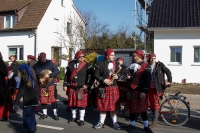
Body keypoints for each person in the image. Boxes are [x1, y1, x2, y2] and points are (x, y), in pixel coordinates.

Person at [63, 50, 94, 126]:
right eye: (80, 57)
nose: (82, 58)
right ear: (77, 57)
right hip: (72, 87)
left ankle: (81, 119)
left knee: (82, 105)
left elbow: (93, 75)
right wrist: (65, 85)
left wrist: (88, 84)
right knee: (73, 104)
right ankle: (73, 117)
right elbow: (67, 75)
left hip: (81, 88)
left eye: (83, 56)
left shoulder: (87, 65)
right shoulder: (71, 64)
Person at [124, 50, 153, 133]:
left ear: (140, 56)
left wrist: (144, 91)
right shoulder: (132, 66)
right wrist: (128, 78)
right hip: (133, 90)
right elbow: (130, 79)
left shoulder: (146, 66)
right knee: (132, 109)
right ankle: (132, 125)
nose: (133, 57)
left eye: (134, 56)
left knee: (143, 110)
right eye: (133, 56)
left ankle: (146, 126)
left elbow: (147, 80)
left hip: (141, 91)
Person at [93, 48, 121, 130]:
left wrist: (117, 77)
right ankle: (101, 122)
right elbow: (96, 75)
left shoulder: (116, 64)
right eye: (112, 55)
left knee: (114, 107)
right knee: (103, 107)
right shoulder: (100, 64)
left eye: (114, 55)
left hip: (113, 88)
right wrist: (103, 80)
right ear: (107, 55)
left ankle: (115, 122)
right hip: (104, 88)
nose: (114, 56)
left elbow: (122, 74)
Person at [147, 53, 172, 128]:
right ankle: (154, 117)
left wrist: (169, 81)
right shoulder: (147, 65)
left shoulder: (160, 65)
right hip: (149, 88)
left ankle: (154, 120)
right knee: (150, 103)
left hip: (158, 88)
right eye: (151, 58)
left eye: (154, 58)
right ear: (149, 58)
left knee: (155, 104)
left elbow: (168, 72)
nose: (153, 60)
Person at [33, 52, 60, 120]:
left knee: (53, 100)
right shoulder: (36, 66)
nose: (44, 58)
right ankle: (44, 114)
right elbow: (34, 75)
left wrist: (50, 75)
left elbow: (57, 71)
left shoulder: (50, 63)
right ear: (39, 58)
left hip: (50, 84)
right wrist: (38, 79)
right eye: (42, 57)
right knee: (43, 100)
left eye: (44, 57)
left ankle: (55, 114)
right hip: (42, 86)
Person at [14, 64, 38, 133]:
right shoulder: (33, 77)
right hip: (34, 99)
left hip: (28, 100)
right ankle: (33, 127)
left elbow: (21, 92)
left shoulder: (24, 79)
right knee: (31, 115)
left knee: (27, 115)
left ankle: (32, 129)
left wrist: (16, 103)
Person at [0, 52, 12, 122]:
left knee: (3, 100)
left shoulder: (1, 63)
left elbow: (4, 72)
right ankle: (6, 115)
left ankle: (4, 115)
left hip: (1, 84)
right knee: (5, 99)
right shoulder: (2, 63)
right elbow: (5, 72)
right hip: (3, 84)